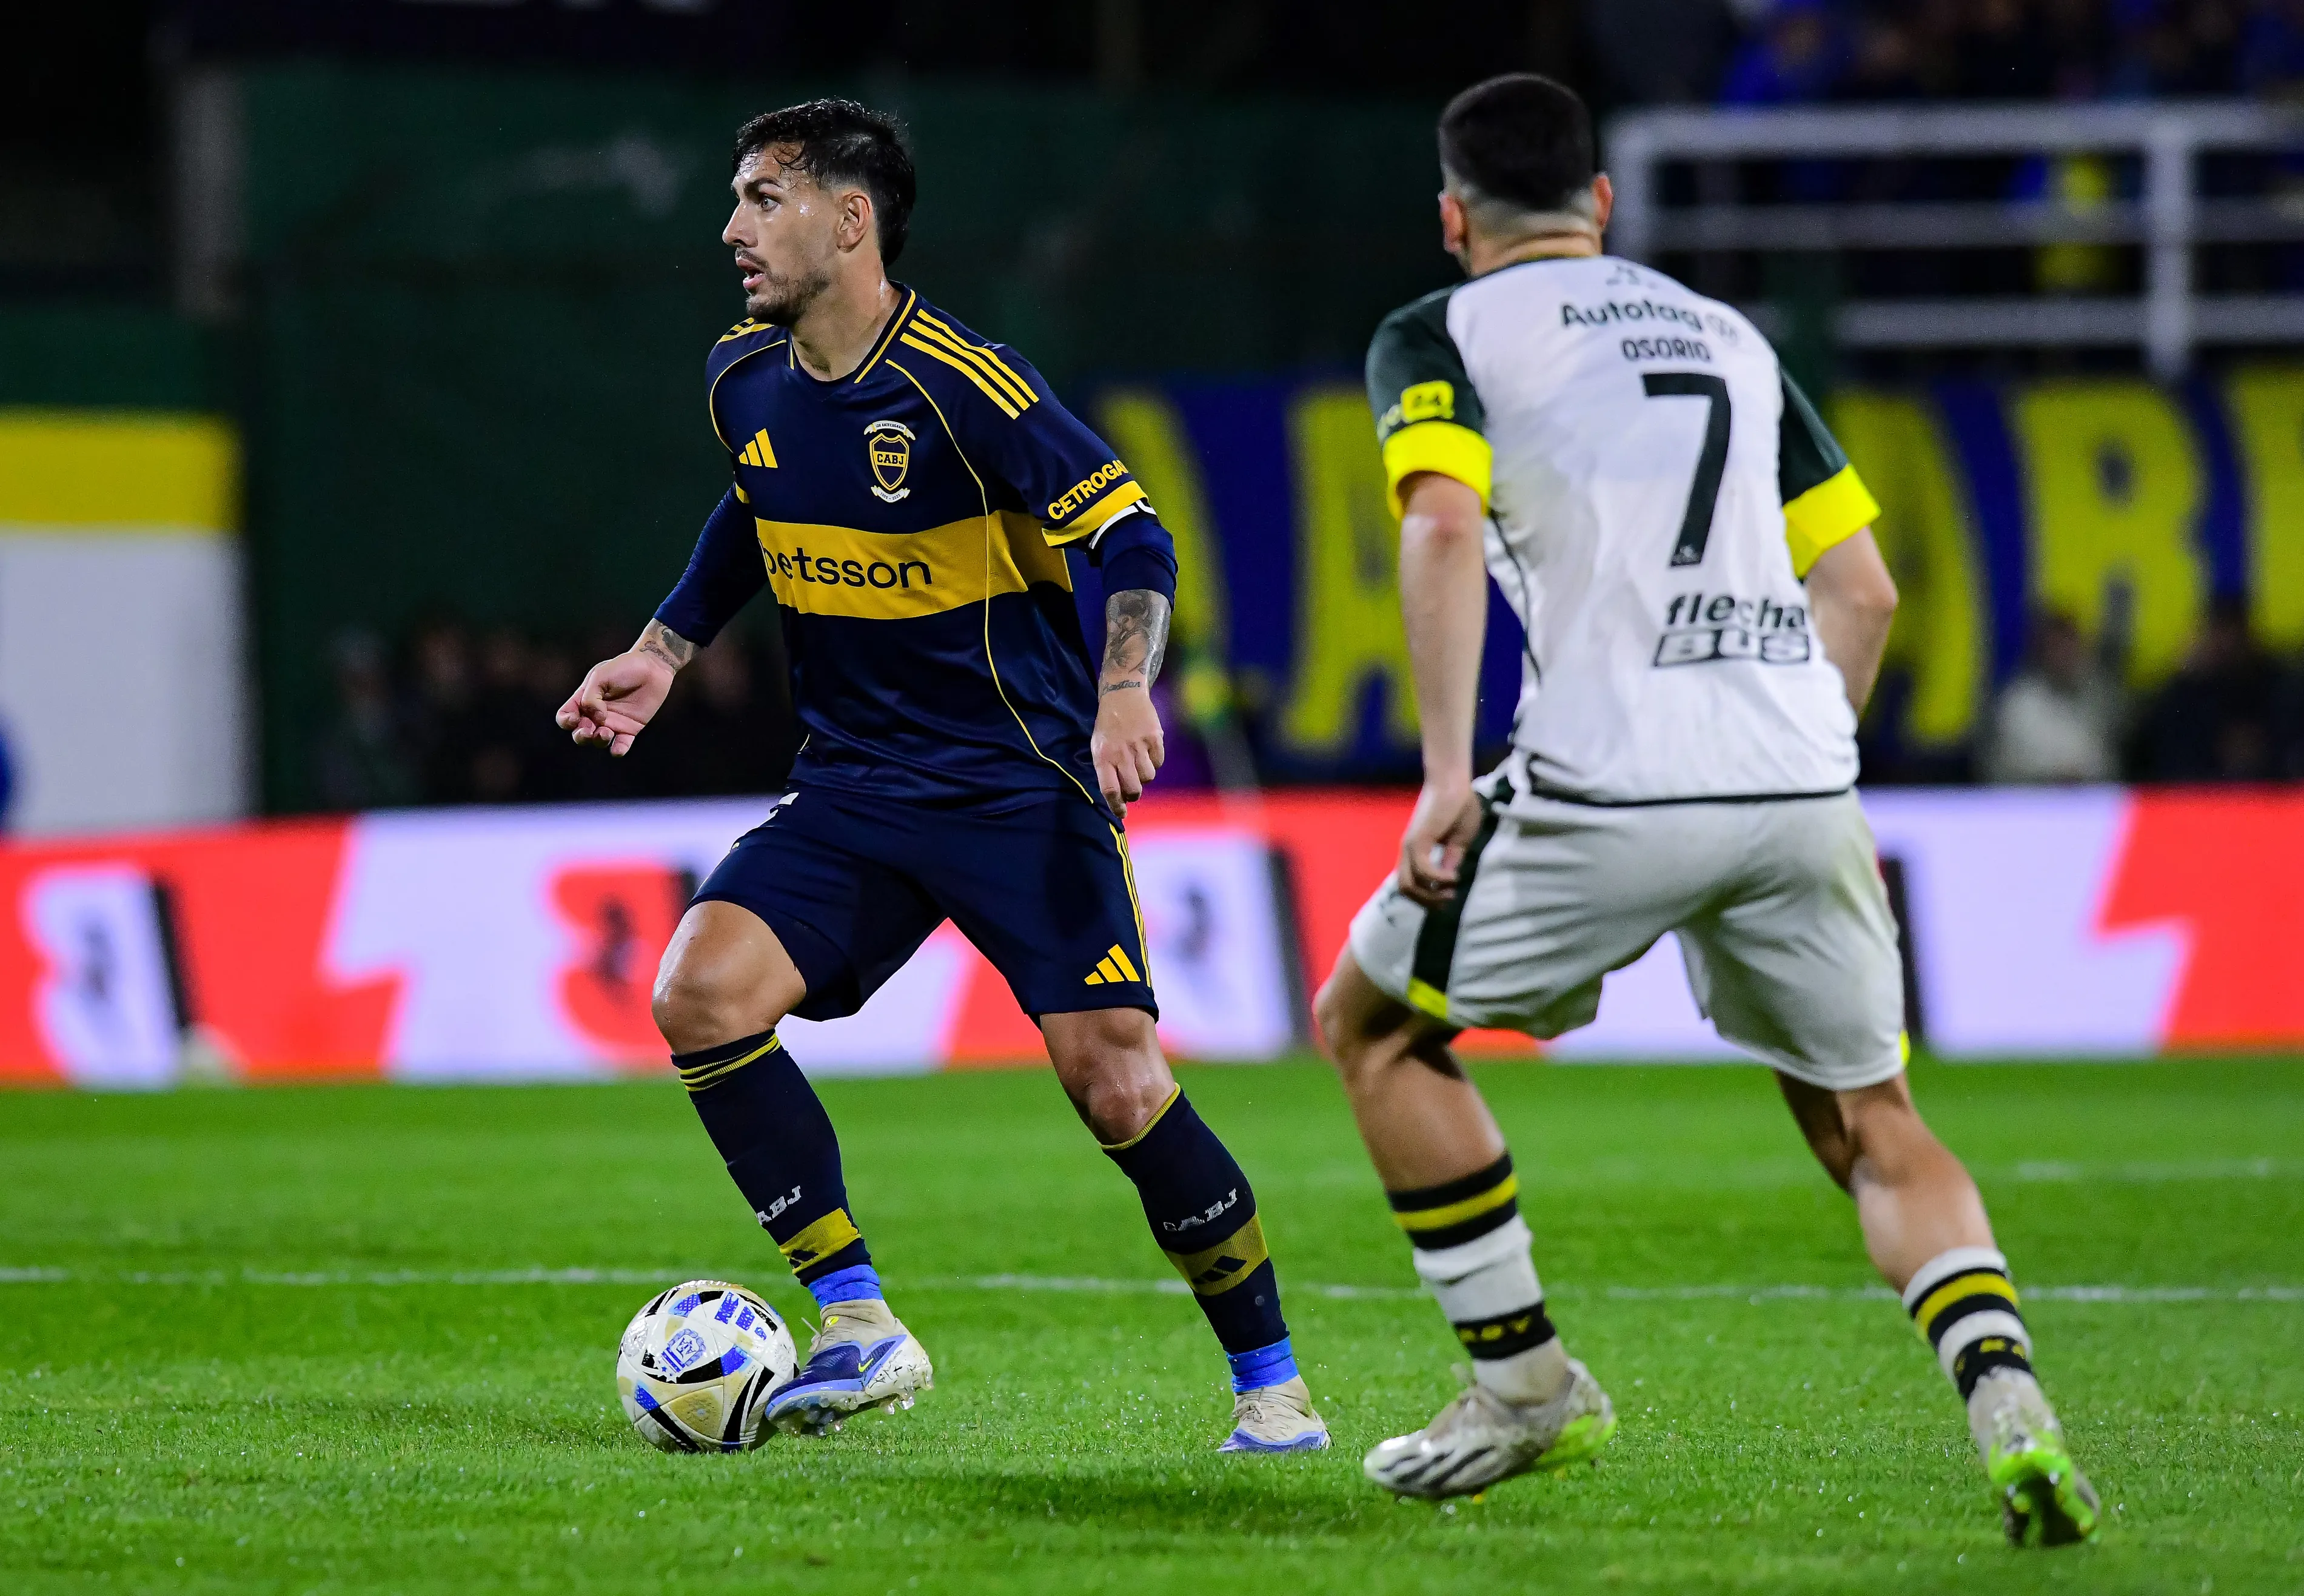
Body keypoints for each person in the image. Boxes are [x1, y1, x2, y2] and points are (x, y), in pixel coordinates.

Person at [1312, 75, 2096, 1544]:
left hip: (1607, 772)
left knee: (1370, 1028)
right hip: (1798, 771)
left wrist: (1435, 774)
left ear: (1449, 217)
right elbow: (1860, 588)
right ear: (1598, 206)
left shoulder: (1441, 333)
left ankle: (1523, 1381)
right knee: (1871, 1119)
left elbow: (1432, 522)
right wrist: (1789, 758)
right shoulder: (1726, 336)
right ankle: (2003, 1397)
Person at [556, 100, 1325, 1453]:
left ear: (849, 221)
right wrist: (664, 646)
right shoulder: (744, 374)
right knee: (700, 995)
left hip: (1014, 781)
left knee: (1117, 1081)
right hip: (854, 784)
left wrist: (1124, 686)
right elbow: (753, 503)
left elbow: (1130, 531)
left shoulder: (967, 385)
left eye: (761, 198)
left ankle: (1272, 1388)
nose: (731, 229)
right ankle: (858, 1323)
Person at [1983, 606, 2125, 785]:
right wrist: (2056, 776)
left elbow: (2109, 757)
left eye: (2070, 644)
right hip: (2032, 802)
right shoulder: (2020, 702)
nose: (2065, 654)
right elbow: (2005, 767)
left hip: (2093, 800)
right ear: (2042, 651)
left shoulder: (2098, 694)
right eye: (2057, 647)